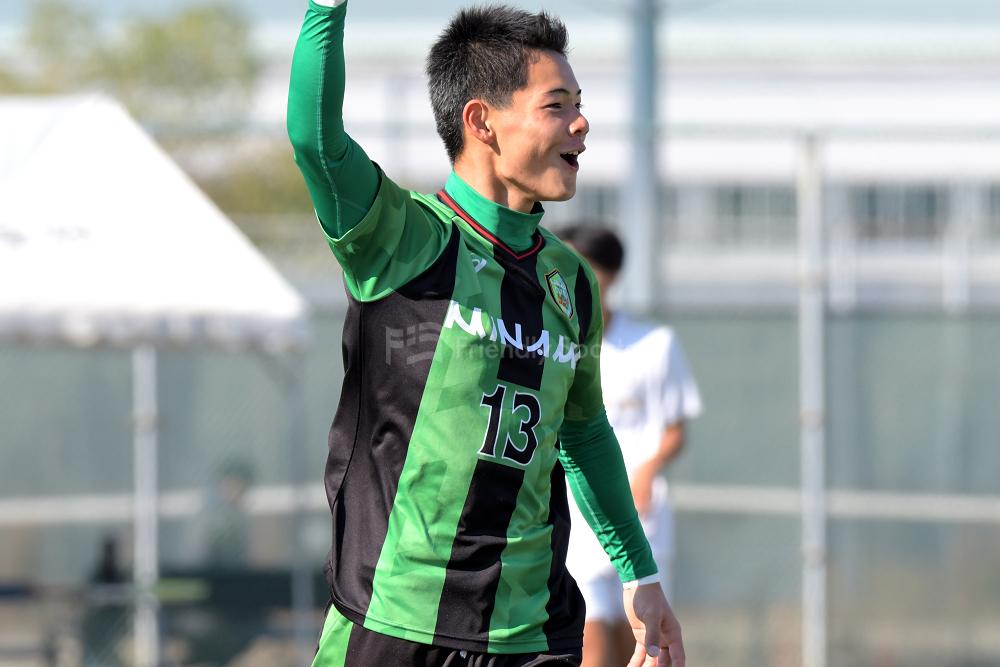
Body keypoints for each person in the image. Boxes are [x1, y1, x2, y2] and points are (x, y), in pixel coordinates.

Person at [287, 2, 685, 665]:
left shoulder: (571, 279)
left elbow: (585, 435)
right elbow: (314, 139)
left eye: (580, 104)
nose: (581, 123)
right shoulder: (405, 238)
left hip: (531, 632)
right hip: (395, 620)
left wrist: (640, 574)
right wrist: (326, 7)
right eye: (556, 106)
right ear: (481, 121)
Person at [558, 225, 702, 667]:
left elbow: (675, 430)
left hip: (640, 519)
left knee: (642, 647)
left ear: (611, 274)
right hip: (578, 519)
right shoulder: (556, 343)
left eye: (583, 266)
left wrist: (645, 471)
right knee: (589, 642)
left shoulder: (654, 345)